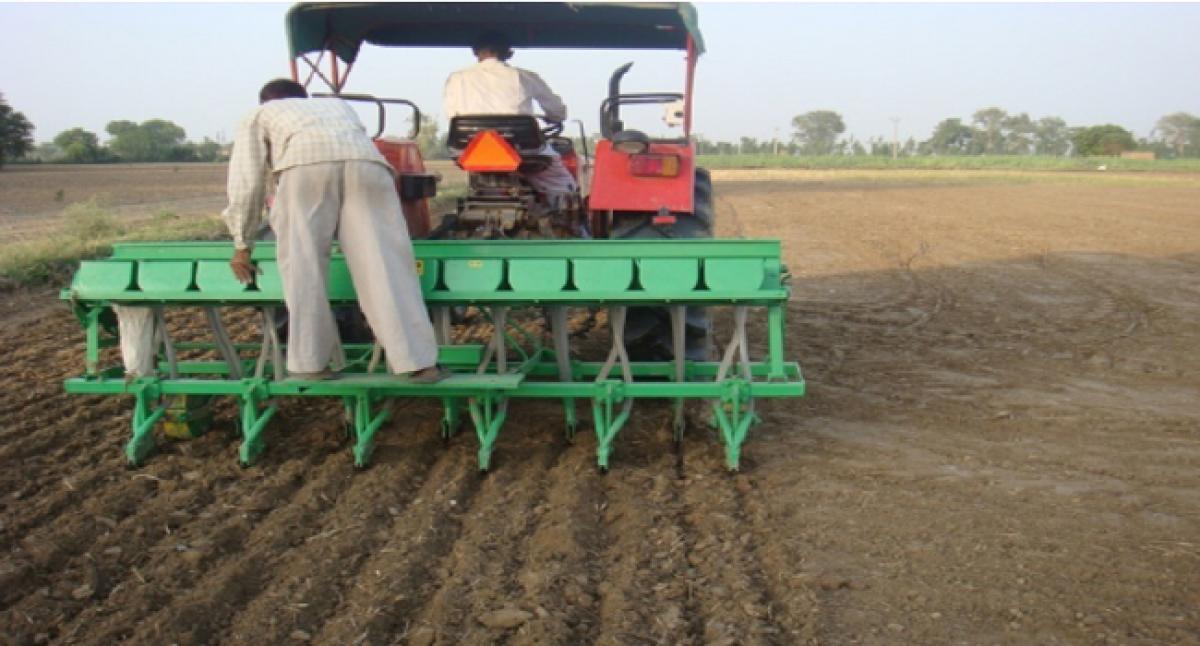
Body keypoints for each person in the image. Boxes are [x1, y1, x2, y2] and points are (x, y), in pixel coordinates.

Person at [222, 78, 446, 382]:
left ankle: (311, 364)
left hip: (305, 169)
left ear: (267, 101)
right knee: (385, 266)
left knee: (303, 266)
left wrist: (241, 243)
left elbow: (246, 183)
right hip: (369, 167)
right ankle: (418, 362)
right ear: (303, 96)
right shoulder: (337, 106)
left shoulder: (261, 114)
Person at [443, 30, 577, 201]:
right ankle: (566, 215)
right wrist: (555, 117)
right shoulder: (524, 76)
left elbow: (451, 114)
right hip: (522, 149)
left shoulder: (457, 78)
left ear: (475, 51)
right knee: (560, 182)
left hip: (471, 148)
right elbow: (557, 111)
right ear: (508, 52)